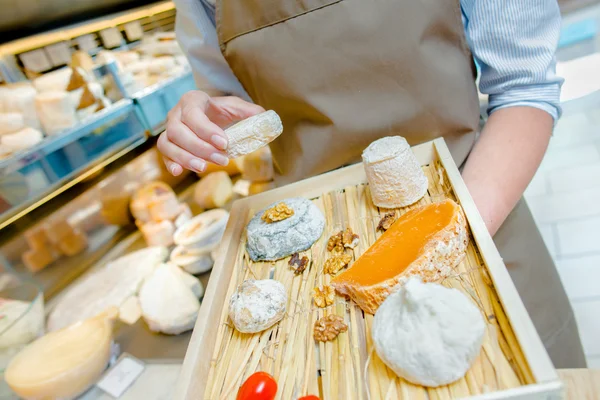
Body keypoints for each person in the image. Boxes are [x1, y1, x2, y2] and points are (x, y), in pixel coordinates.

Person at [158, 0, 587, 367]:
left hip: (477, 214)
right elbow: (230, 102)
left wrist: (446, 241)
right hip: (320, 270)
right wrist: (204, 116)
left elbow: (524, 88)